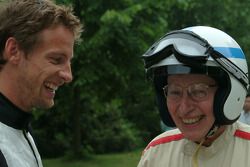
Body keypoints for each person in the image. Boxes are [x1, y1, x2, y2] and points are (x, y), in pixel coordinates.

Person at [137, 26, 250, 167]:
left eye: (198, 92)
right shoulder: (156, 154)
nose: (184, 108)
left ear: (229, 94)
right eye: (174, 92)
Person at [0, 0, 82, 167]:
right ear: (14, 50)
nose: (68, 76)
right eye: (56, 60)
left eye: (69, 62)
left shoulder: (21, 128)